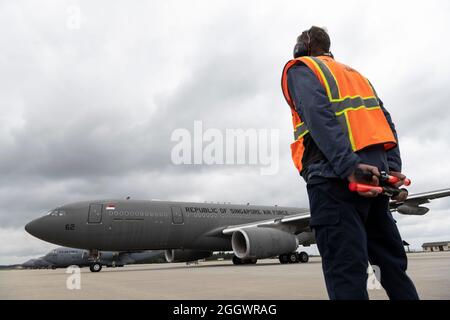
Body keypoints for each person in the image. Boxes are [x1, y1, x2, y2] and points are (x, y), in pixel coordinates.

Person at [281, 26, 419, 300]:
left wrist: (349, 168)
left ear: (305, 46)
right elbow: (386, 121)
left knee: (346, 273)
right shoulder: (358, 77)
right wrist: (390, 170)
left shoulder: (301, 68)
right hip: (373, 182)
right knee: (391, 268)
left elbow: (317, 114)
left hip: (334, 180)